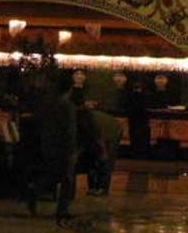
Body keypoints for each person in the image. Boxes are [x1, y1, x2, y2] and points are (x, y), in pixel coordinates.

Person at [29, 72, 78, 221]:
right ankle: (62, 209)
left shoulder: (50, 104)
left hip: (49, 143)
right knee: (66, 178)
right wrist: (72, 148)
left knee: (52, 174)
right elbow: (69, 129)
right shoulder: (67, 106)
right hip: (62, 146)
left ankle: (35, 192)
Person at [87, 102, 122, 196]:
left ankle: (102, 188)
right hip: (108, 131)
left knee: (106, 162)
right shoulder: (90, 117)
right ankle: (96, 187)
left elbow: (99, 137)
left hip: (112, 133)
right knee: (98, 161)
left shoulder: (90, 119)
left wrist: (103, 152)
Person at [126, 81, 151, 159]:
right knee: (143, 137)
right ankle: (143, 153)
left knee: (134, 137)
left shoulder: (130, 95)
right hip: (143, 120)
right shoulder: (145, 96)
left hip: (133, 120)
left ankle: (134, 153)